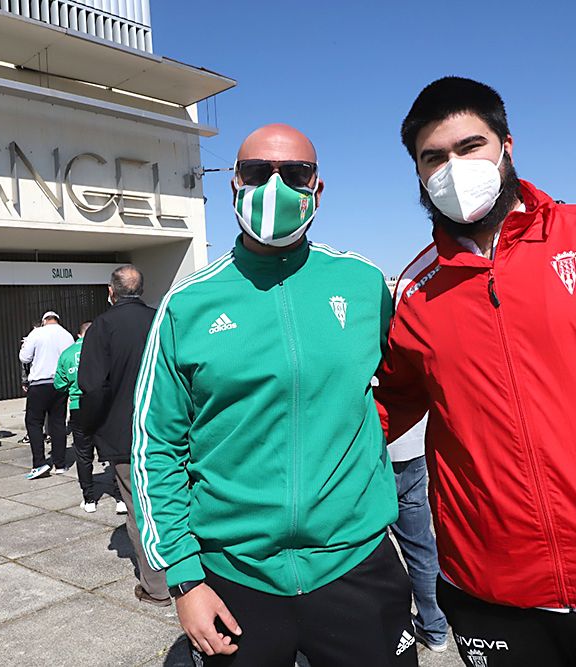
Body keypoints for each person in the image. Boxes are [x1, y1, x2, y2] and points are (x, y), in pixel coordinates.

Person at [376, 76, 576, 667]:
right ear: (418, 173)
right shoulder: (416, 290)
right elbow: (385, 403)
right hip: (493, 593)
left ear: (506, 144)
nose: (452, 167)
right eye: (433, 157)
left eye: (469, 146)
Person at [130, 125, 414, 666]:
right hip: (234, 575)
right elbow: (154, 446)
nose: (275, 186)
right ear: (234, 183)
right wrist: (184, 579)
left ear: (318, 189)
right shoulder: (187, 305)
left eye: (295, 174)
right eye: (258, 173)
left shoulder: (362, 284)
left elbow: (402, 384)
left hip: (356, 563)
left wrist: (361, 446)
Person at [80, 265, 173, 608]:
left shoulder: (101, 327)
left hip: (125, 434)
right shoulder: (162, 319)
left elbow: (91, 386)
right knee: (175, 502)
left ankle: (157, 586)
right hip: (170, 428)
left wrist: (89, 428)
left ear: (111, 291)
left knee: (139, 511)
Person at [387, 417, 449, 653]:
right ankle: (435, 627)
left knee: (371, 549)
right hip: (412, 443)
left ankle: (388, 630)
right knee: (420, 545)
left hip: (370, 450)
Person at [20, 311, 75, 478]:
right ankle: (60, 464)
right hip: (59, 383)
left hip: (39, 383)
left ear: (44, 321)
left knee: (34, 422)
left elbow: (25, 357)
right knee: (57, 423)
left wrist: (24, 345)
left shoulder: (36, 333)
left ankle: (39, 463)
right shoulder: (67, 335)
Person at [54, 321, 98, 511]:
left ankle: (89, 499)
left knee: (83, 453)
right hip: (102, 405)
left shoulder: (67, 354)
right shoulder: (103, 350)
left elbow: (59, 384)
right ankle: (120, 497)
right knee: (112, 452)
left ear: (79, 334)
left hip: (78, 406)